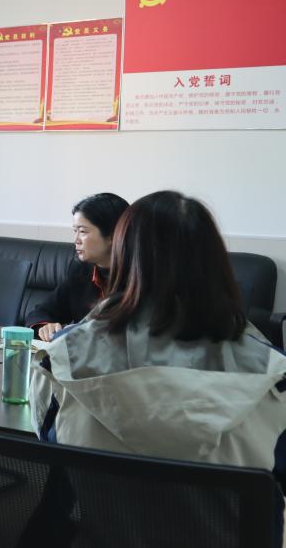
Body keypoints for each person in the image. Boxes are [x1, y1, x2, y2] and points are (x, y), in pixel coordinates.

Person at [30, 191, 286, 543]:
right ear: (215, 263)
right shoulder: (273, 374)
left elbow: (52, 444)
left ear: (122, 256)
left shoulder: (62, 359)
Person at [26, 192, 129, 341]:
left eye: (83, 232)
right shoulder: (80, 270)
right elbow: (41, 312)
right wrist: (45, 326)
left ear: (114, 236)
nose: (76, 240)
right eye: (75, 231)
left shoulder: (140, 276)